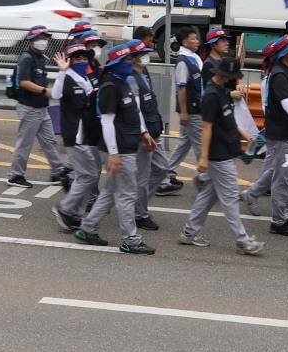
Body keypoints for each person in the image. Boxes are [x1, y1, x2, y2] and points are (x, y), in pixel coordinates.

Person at [178, 56, 264, 255]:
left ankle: (189, 232)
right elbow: (206, 127)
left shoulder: (222, 91)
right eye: (232, 76)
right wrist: (203, 157)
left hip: (226, 149)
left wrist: (245, 135)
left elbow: (229, 119)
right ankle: (242, 241)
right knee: (230, 198)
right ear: (225, 75)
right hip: (219, 154)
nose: (233, 79)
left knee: (208, 195)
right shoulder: (211, 96)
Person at [79, 39, 152, 253]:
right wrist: (113, 154)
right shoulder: (110, 87)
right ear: (116, 64)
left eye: (131, 59)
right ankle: (131, 240)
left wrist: (144, 132)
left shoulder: (124, 82)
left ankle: (88, 228)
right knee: (127, 194)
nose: (131, 62)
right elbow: (107, 122)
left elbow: (134, 112)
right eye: (126, 60)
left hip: (126, 145)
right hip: (119, 149)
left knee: (111, 191)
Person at [248, 35, 288, 235]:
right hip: (283, 135)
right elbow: (286, 105)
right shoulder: (278, 75)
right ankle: (278, 221)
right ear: (286, 54)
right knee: (282, 180)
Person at [56, 33, 106, 234]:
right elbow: (57, 94)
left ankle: (75, 214)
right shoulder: (67, 78)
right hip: (74, 135)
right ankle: (65, 209)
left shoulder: (84, 78)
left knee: (85, 175)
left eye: (85, 58)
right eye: (78, 58)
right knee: (88, 175)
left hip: (85, 133)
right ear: (69, 61)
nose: (83, 61)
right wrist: (62, 72)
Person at [6, 24, 67, 187]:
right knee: (25, 142)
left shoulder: (40, 57)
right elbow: (24, 82)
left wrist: (44, 99)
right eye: (39, 38)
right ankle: (15, 176)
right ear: (31, 40)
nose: (43, 41)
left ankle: (57, 172)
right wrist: (45, 91)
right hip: (30, 107)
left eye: (45, 38)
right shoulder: (27, 58)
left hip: (40, 107)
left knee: (50, 141)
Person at [155, 28, 202, 193]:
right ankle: (207, 178)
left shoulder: (193, 59)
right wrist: (184, 112)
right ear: (185, 43)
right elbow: (181, 88)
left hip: (194, 108)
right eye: (194, 39)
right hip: (191, 110)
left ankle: (165, 176)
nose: (197, 41)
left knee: (183, 144)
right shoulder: (183, 62)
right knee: (200, 145)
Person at [126, 41, 165, 234]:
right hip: (144, 134)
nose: (147, 56)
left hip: (153, 130)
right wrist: (143, 133)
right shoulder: (131, 78)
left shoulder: (143, 72)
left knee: (162, 169)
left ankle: (135, 204)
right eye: (143, 53)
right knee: (142, 177)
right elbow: (136, 110)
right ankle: (139, 214)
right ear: (133, 57)